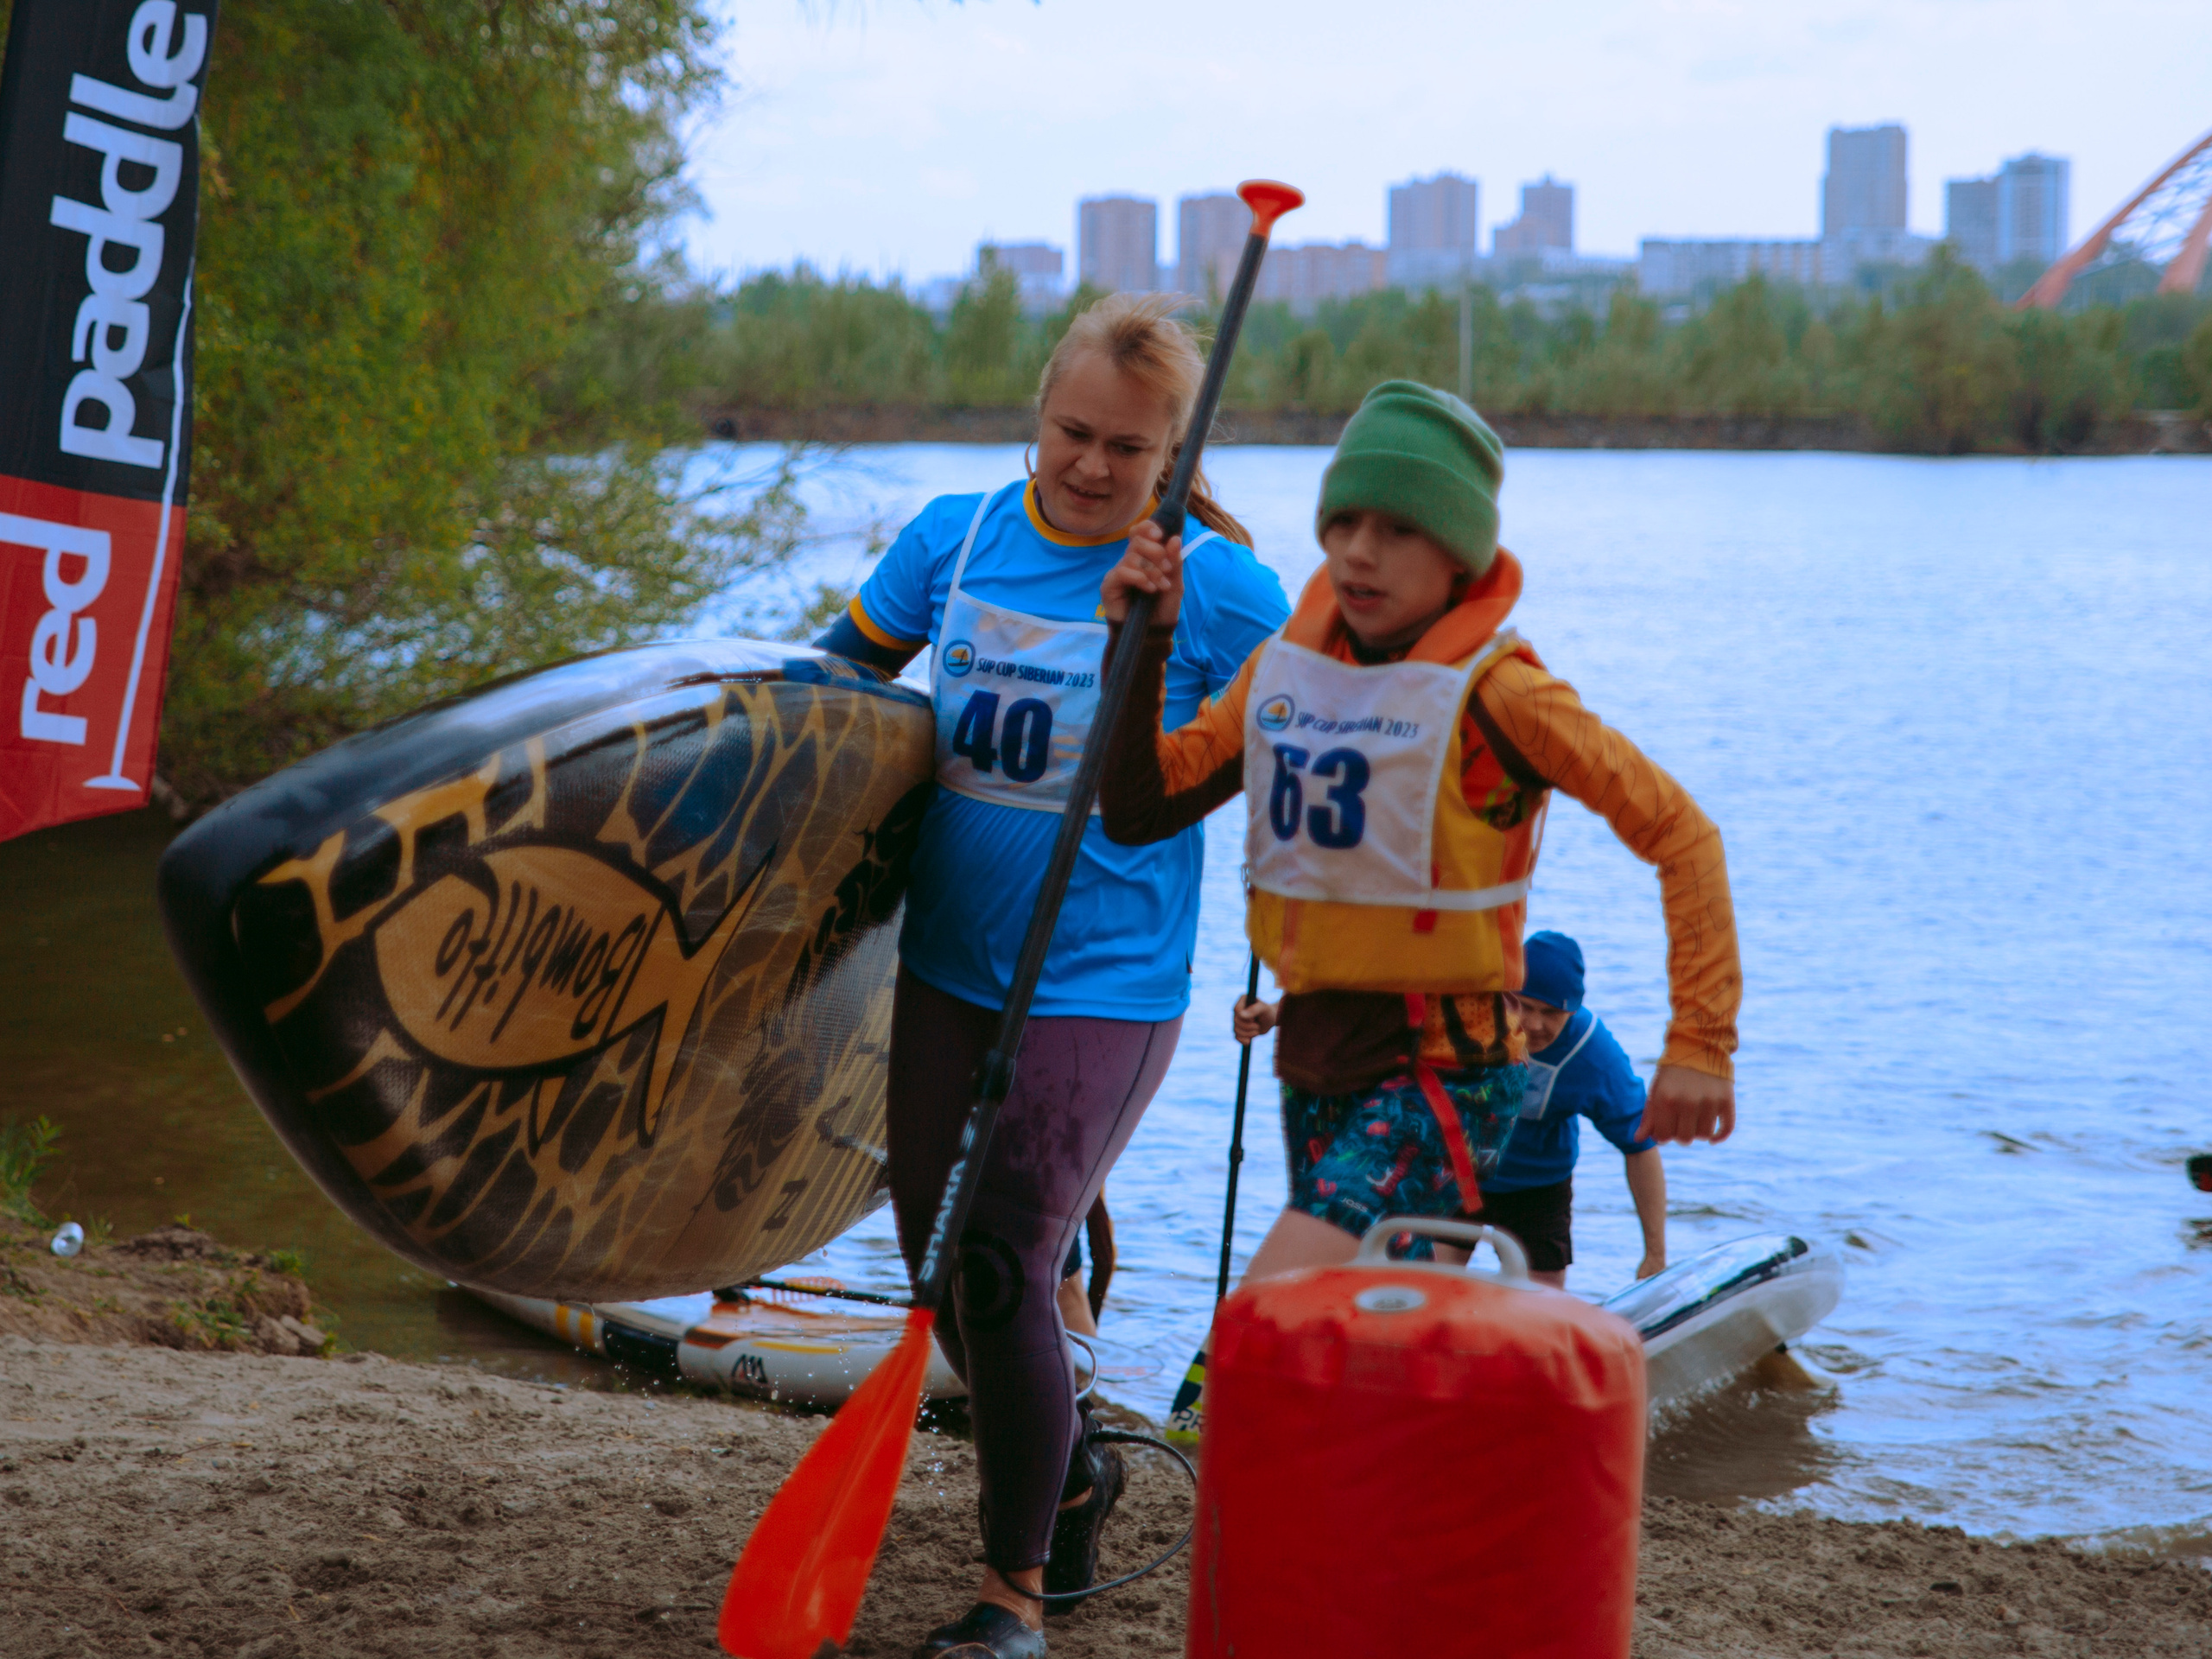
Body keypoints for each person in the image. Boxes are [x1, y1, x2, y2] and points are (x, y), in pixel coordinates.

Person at [1097, 379, 1741, 1438]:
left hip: (1443, 1074)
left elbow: (1680, 831)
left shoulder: (1503, 695)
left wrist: (1699, 1042)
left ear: (1459, 558)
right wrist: (1146, 642)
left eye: (1397, 530)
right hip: (1317, 1059)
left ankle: (1187, 1468)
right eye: (1342, 522)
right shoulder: (1283, 668)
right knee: (1347, 1365)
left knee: (1256, 1334)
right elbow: (1138, 806)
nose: (1357, 553)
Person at [815, 293, 1289, 1659]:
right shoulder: (952, 544)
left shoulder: (1215, 584)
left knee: (1002, 1260)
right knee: (941, 1269)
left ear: (1172, 459)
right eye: (1073, 432)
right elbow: (831, 691)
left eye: (1129, 451)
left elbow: (1323, 716)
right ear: (1037, 412)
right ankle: (1075, 1465)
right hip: (947, 968)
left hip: (1109, 985)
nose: (1092, 465)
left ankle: (1012, 1595)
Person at [1231, 929, 1668, 1291]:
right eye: (1524, 1005)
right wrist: (1274, 1013)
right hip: (1456, 1172)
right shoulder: (1474, 1012)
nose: (1533, 1025)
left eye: (1551, 1014)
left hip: (1539, 1187)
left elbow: (1640, 1145)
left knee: (1540, 1299)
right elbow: (1372, 1001)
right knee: (1425, 1287)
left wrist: (1655, 1252)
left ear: (1573, 1009)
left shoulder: (1596, 1057)